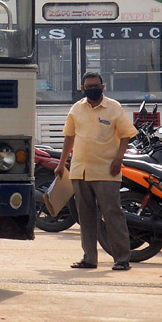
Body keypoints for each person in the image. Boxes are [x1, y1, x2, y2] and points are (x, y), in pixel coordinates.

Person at [55, 71, 137, 271]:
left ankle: (122, 258)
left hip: (107, 170)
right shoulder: (76, 109)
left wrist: (119, 158)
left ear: (103, 86)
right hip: (80, 170)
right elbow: (69, 137)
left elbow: (126, 134)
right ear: (83, 89)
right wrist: (61, 163)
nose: (93, 89)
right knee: (86, 217)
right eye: (88, 86)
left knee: (112, 214)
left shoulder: (114, 108)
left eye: (96, 86)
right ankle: (89, 258)